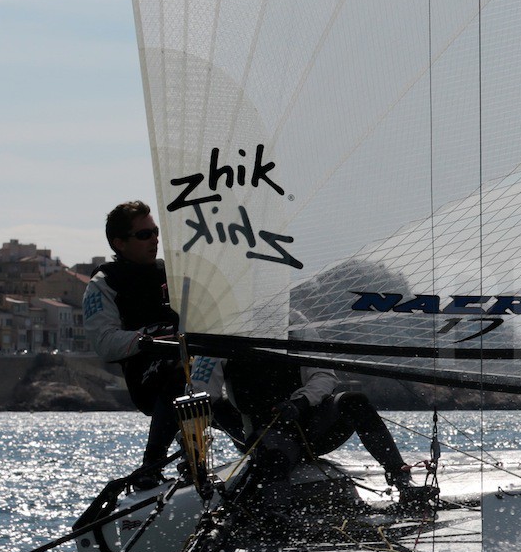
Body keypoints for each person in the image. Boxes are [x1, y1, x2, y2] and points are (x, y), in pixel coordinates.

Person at [223, 354, 431, 514]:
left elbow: (324, 376)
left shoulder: (295, 326)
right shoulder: (220, 329)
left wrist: (301, 402)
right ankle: (277, 512)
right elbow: (209, 395)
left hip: (313, 428)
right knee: (273, 458)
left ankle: (402, 482)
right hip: (267, 437)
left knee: (355, 401)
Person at [83, 200, 186, 485]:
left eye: (155, 232)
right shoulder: (103, 283)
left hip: (191, 361)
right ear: (120, 243)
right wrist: (150, 339)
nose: (154, 240)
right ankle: (150, 466)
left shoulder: (172, 272)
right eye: (144, 235)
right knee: (182, 376)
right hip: (149, 376)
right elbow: (104, 342)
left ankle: (257, 449)